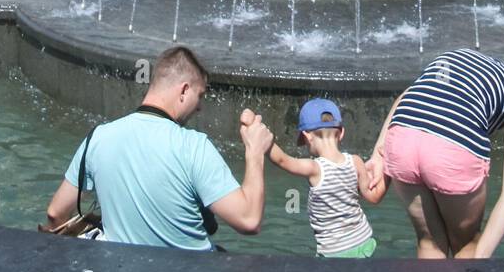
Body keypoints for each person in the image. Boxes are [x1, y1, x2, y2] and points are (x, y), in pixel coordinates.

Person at [46, 46, 274, 249]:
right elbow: (248, 220)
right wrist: (254, 152)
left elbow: (55, 214)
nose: (200, 108)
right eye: (200, 95)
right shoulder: (193, 146)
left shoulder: (98, 138)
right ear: (184, 90)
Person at [367, 49, 504, 260]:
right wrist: (479, 261)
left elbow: (409, 94)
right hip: (450, 149)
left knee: (429, 240)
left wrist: (378, 153)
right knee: (466, 243)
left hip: (402, 138)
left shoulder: (469, 63)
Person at [260, 99, 387, 259]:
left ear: (307, 136)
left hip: (334, 252)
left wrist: (261, 136)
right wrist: (388, 169)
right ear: (341, 132)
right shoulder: (356, 161)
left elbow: (282, 160)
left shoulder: (315, 168)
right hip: (364, 244)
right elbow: (374, 197)